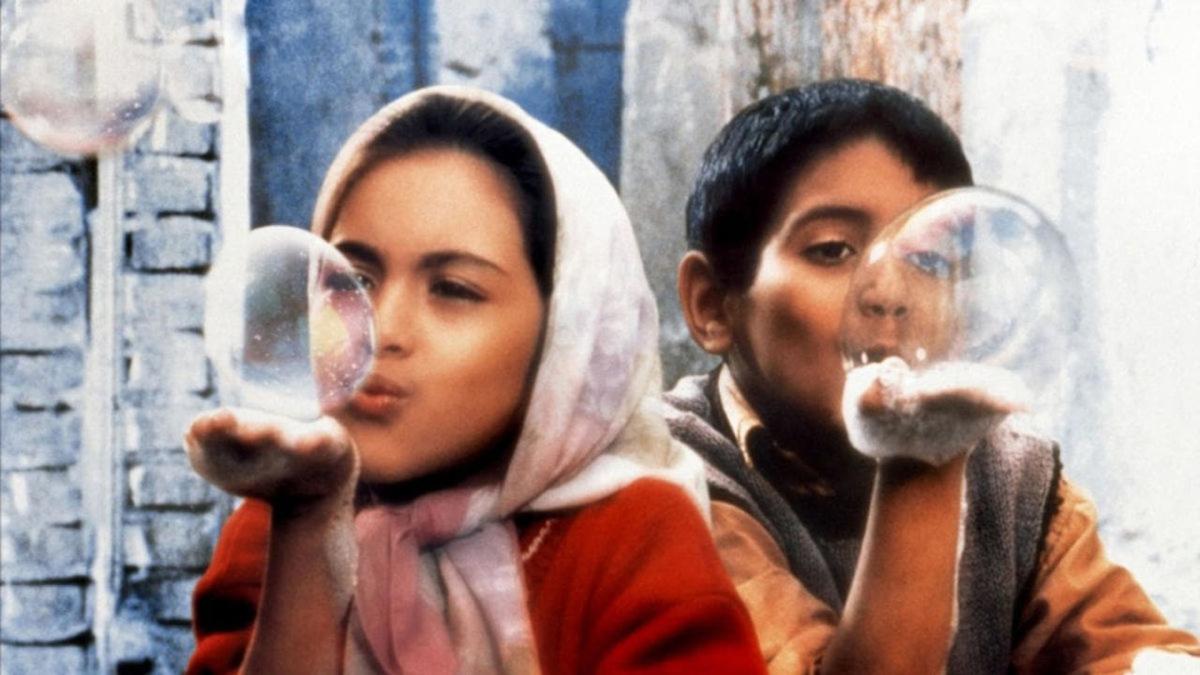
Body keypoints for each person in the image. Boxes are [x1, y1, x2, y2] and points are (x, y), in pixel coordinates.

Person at [185, 85, 766, 674]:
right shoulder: (274, 530)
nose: (382, 330)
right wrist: (308, 529)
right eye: (351, 282)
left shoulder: (632, 537)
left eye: (454, 289)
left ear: (564, 335)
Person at [666, 78, 1200, 673]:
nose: (888, 293)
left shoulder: (1016, 484)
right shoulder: (665, 480)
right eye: (833, 250)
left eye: (928, 260)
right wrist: (921, 454)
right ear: (713, 305)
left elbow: (1138, 652)